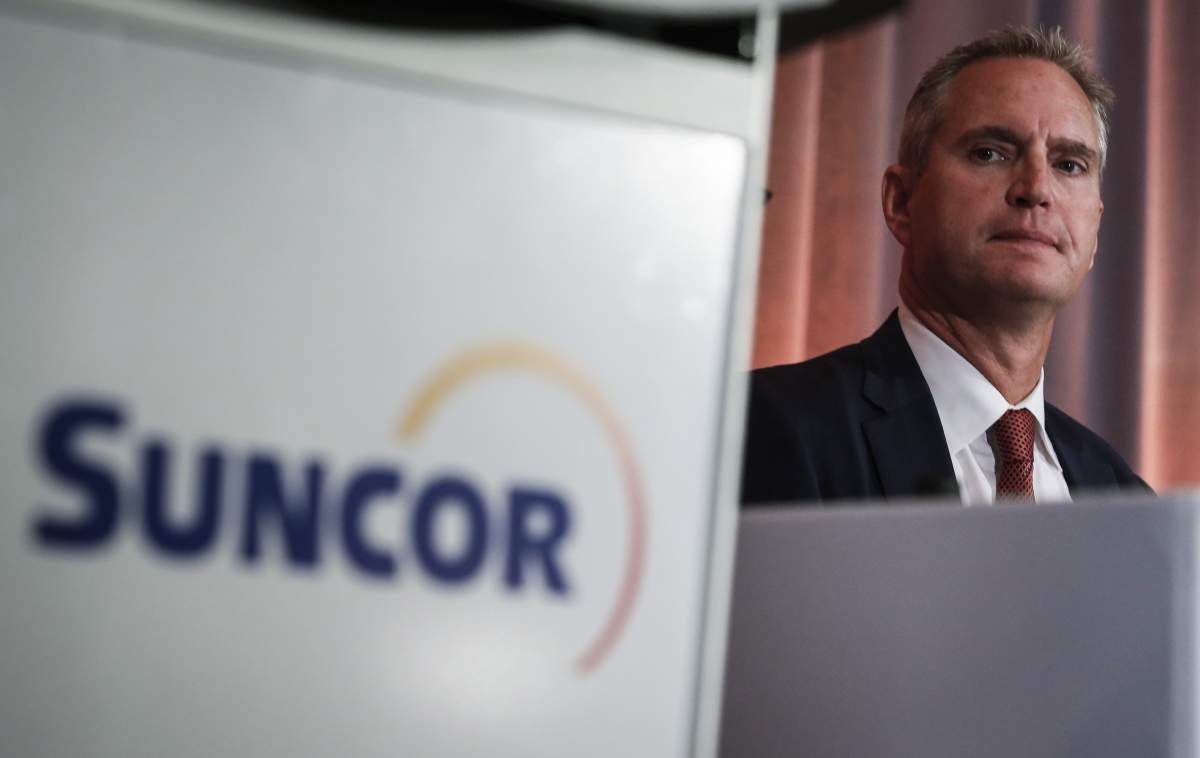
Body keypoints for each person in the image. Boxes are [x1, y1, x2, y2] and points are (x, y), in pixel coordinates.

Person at [740, 25, 1151, 505]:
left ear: (1095, 230)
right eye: (990, 152)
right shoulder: (774, 425)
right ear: (902, 202)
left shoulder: (1122, 494)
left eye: (1069, 165)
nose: (1036, 188)